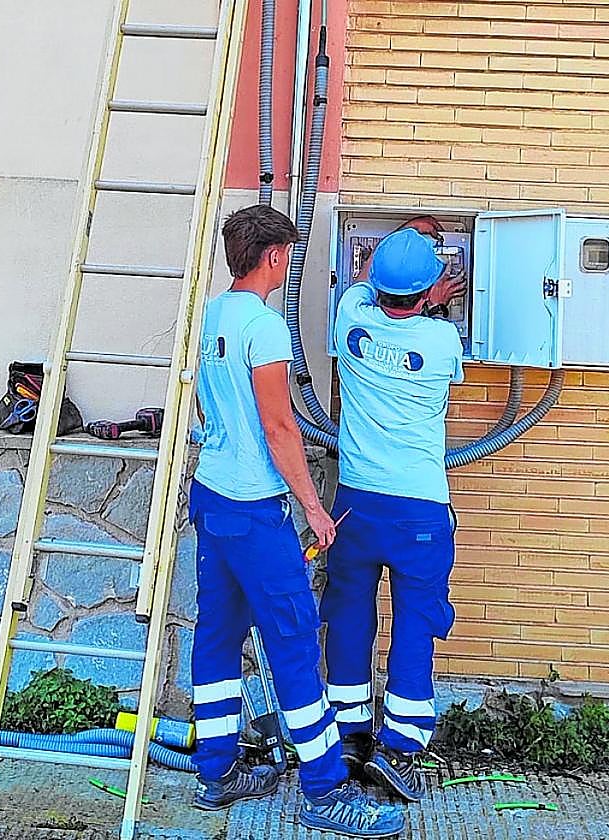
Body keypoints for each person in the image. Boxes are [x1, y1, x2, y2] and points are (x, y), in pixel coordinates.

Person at [189, 204, 404, 838]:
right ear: (276, 256)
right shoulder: (262, 326)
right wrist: (313, 504)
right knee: (293, 643)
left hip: (212, 497)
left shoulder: (209, 315)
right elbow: (281, 426)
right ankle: (324, 792)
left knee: (218, 635)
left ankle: (217, 770)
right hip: (257, 510)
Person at [321, 221, 468, 802]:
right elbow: (425, 332)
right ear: (430, 293)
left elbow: (360, 283)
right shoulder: (441, 342)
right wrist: (433, 301)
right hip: (418, 510)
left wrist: (399, 248)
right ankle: (402, 748)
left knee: (350, 612)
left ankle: (350, 733)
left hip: (355, 502)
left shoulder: (349, 320)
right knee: (417, 620)